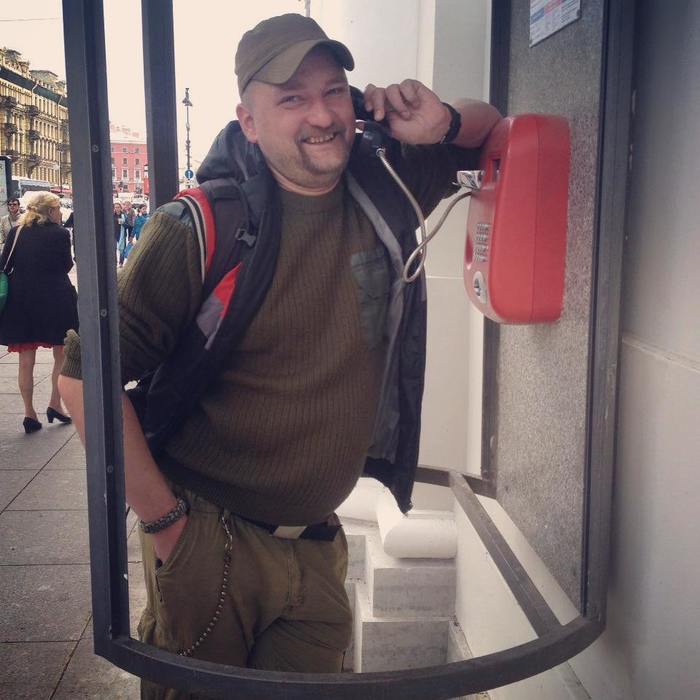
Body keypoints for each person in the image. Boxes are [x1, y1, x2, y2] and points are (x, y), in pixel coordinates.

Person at [58, 12, 500, 695]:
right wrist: (169, 527)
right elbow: (81, 377)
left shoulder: (387, 186)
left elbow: (490, 126)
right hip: (211, 541)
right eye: (292, 98)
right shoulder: (199, 226)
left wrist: (440, 119)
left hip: (319, 546)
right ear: (249, 121)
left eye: (333, 91)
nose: (321, 115)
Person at [0, 191, 77, 433]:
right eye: (57, 208)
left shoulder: (17, 231)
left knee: (26, 360)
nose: (60, 212)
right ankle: (55, 403)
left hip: (22, 300)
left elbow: (4, 265)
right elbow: (66, 265)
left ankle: (29, 413)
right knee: (61, 352)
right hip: (55, 299)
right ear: (49, 211)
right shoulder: (60, 234)